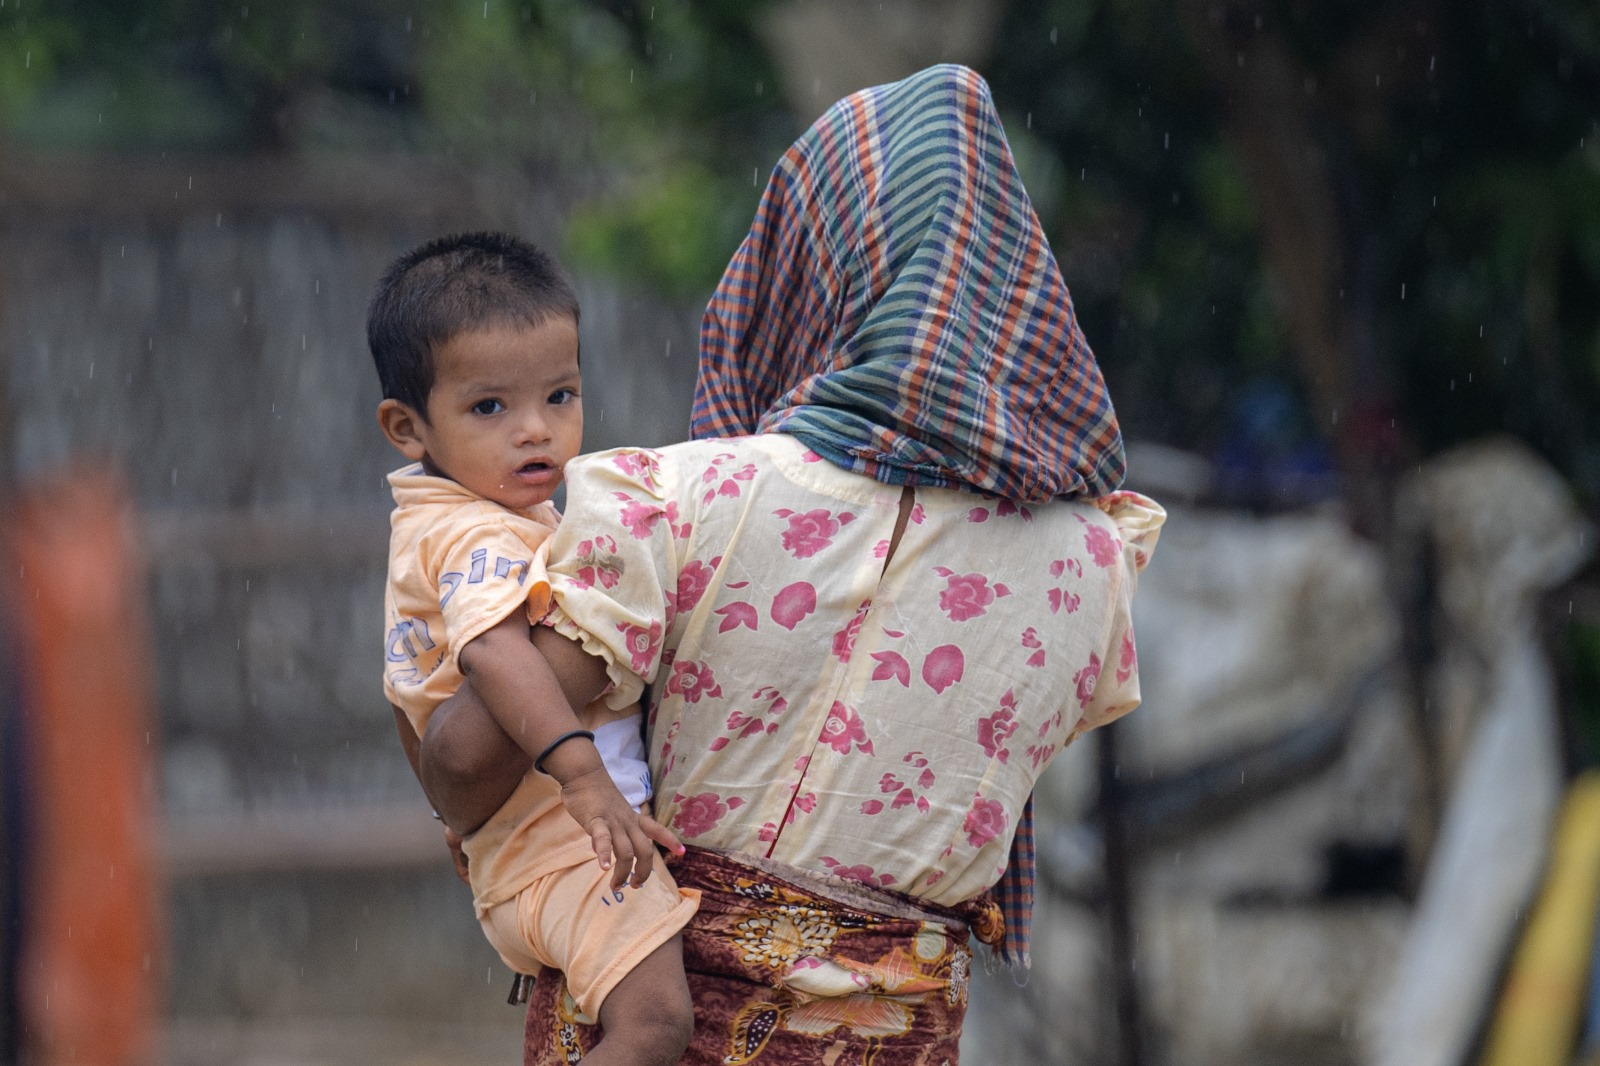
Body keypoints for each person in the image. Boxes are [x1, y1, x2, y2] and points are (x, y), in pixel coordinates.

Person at [425, 65, 1164, 1064]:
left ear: (809, 272)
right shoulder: (1091, 561)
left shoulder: (686, 503)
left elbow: (471, 760)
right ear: (1006, 278)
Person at [369, 231, 699, 1066]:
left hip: (523, 847)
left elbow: (409, 697)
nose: (535, 432)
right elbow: (494, 658)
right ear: (407, 427)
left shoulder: (443, 525)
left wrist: (454, 826)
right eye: (490, 408)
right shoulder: (482, 537)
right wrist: (585, 779)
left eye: (560, 396)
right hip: (568, 839)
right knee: (656, 1028)